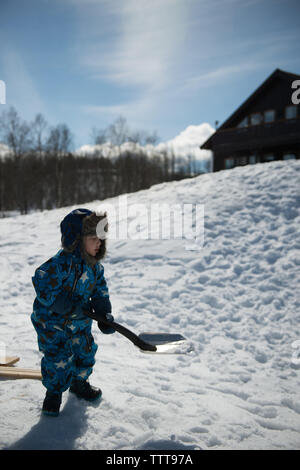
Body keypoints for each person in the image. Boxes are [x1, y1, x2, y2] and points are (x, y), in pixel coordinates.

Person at [31, 208, 115, 417]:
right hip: (52, 324)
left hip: (80, 323)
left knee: (85, 352)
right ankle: (54, 392)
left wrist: (104, 314)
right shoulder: (59, 264)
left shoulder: (95, 268)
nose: (99, 244)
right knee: (58, 358)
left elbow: (100, 291)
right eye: (94, 238)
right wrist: (66, 306)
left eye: (101, 239)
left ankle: (79, 383)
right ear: (77, 240)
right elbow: (41, 283)